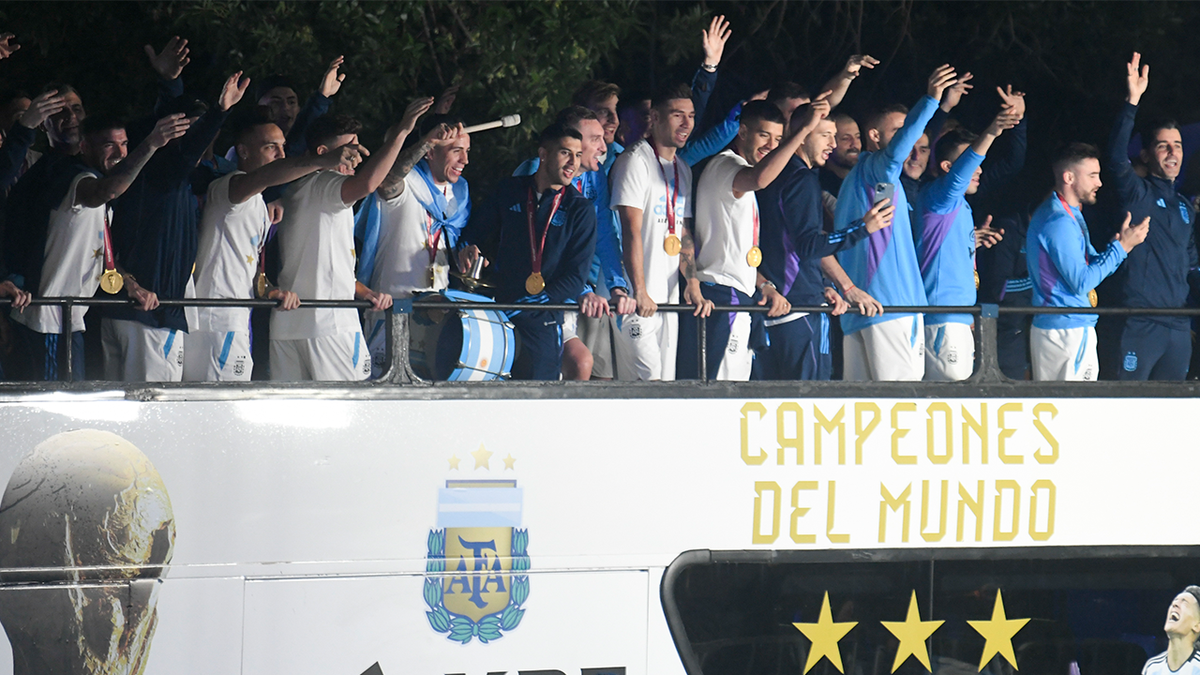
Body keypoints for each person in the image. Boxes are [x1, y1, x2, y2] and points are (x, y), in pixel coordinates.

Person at [9, 113, 188, 381]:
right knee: (56, 407)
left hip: (70, 321)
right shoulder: (76, 180)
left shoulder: (94, 181)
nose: (120, 152)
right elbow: (109, 191)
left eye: (125, 144)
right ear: (84, 147)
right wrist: (150, 144)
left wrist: (129, 283)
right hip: (47, 321)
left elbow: (98, 251)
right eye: (109, 145)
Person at [184, 113, 362, 381]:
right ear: (242, 151)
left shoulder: (259, 202)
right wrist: (319, 161)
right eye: (271, 147)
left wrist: (270, 290)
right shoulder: (230, 187)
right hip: (217, 321)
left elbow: (247, 265)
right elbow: (265, 177)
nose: (281, 154)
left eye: (282, 146)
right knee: (218, 410)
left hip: (235, 319)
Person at [270, 99, 432, 381]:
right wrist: (401, 134)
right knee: (354, 411)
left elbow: (324, 267)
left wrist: (364, 292)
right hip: (331, 326)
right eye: (350, 150)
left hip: (286, 326)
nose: (357, 158)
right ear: (323, 153)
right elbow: (369, 184)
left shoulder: (293, 188)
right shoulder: (326, 185)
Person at [102, 71, 248, 382]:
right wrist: (220, 111)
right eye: (190, 130)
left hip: (128, 309)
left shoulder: (169, 177)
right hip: (149, 311)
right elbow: (182, 156)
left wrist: (169, 82)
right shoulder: (163, 173)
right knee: (152, 415)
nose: (201, 140)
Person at [684, 98, 830, 380]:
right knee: (718, 398)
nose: (771, 145)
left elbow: (738, 249)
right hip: (722, 297)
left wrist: (764, 284)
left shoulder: (737, 169)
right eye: (764, 135)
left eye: (777, 138)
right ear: (742, 133)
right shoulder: (725, 165)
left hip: (739, 296)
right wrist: (802, 132)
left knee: (736, 394)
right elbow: (760, 178)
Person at [832, 64, 958, 381]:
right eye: (899, 132)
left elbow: (882, 216)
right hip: (890, 308)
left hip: (861, 313)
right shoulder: (878, 170)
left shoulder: (868, 183)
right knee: (901, 406)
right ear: (874, 137)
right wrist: (931, 100)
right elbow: (895, 156)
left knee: (863, 413)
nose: (908, 139)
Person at [757, 111, 890, 380]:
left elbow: (788, 243)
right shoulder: (802, 178)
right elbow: (809, 245)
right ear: (803, 136)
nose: (832, 144)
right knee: (810, 403)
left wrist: (827, 285)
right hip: (802, 310)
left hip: (771, 308)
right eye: (825, 135)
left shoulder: (769, 175)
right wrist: (862, 228)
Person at [458, 123, 597, 380]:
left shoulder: (580, 209)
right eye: (565, 153)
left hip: (541, 317)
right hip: (500, 312)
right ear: (543, 154)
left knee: (537, 399)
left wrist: (535, 301)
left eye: (578, 155)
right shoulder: (510, 190)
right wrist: (468, 248)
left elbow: (576, 277)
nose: (573, 163)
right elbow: (473, 233)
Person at [512, 106, 633, 380]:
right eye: (595, 139)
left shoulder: (594, 176)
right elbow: (527, 247)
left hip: (575, 291)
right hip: (531, 297)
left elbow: (604, 231)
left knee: (581, 365)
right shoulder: (533, 172)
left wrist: (617, 286)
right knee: (562, 367)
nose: (604, 146)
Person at [609, 82, 714, 381]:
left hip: (668, 298)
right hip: (634, 298)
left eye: (691, 116)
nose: (686, 123)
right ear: (654, 117)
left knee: (665, 385)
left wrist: (691, 284)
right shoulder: (634, 162)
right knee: (647, 379)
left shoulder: (683, 169)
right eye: (677, 115)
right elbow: (630, 230)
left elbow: (682, 231)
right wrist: (639, 290)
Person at [1105, 52, 1200, 380]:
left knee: (1170, 416)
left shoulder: (1186, 208)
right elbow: (1116, 157)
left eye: (1177, 145)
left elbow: (1192, 265)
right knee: (1128, 409)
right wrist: (1132, 102)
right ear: (1146, 153)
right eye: (1163, 146)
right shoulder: (1139, 193)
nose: (1173, 152)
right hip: (1141, 322)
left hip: (1178, 325)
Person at [1027, 143, 1148, 381]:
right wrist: (1123, 247)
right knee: (1074, 412)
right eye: (1092, 175)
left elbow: (1091, 264)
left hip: (1063, 327)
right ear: (1069, 177)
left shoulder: (1070, 214)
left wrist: (1120, 246)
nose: (1099, 182)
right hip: (1066, 330)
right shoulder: (1058, 220)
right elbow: (1082, 282)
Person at [357, 115, 462, 379]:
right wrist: (424, 142)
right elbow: (386, 182)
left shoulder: (459, 197)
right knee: (382, 396)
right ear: (430, 152)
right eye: (456, 151)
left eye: (467, 152)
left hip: (435, 315)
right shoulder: (407, 184)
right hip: (389, 310)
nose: (465, 161)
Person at [915, 107, 1016, 381]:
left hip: (957, 318)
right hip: (942, 319)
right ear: (948, 168)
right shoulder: (940, 196)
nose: (979, 169)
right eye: (970, 162)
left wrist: (970, 241)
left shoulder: (958, 206)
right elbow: (960, 176)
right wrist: (993, 131)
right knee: (949, 403)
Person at [255, 55, 347, 156]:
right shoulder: (248, 145)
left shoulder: (309, 148)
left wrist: (324, 94)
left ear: (299, 108)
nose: (285, 108)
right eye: (276, 103)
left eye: (291, 102)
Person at [1141, 588, 1200, 675]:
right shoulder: (1151, 667)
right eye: (1175, 601)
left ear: (1197, 626)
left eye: (1184, 602)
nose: (1175, 604)